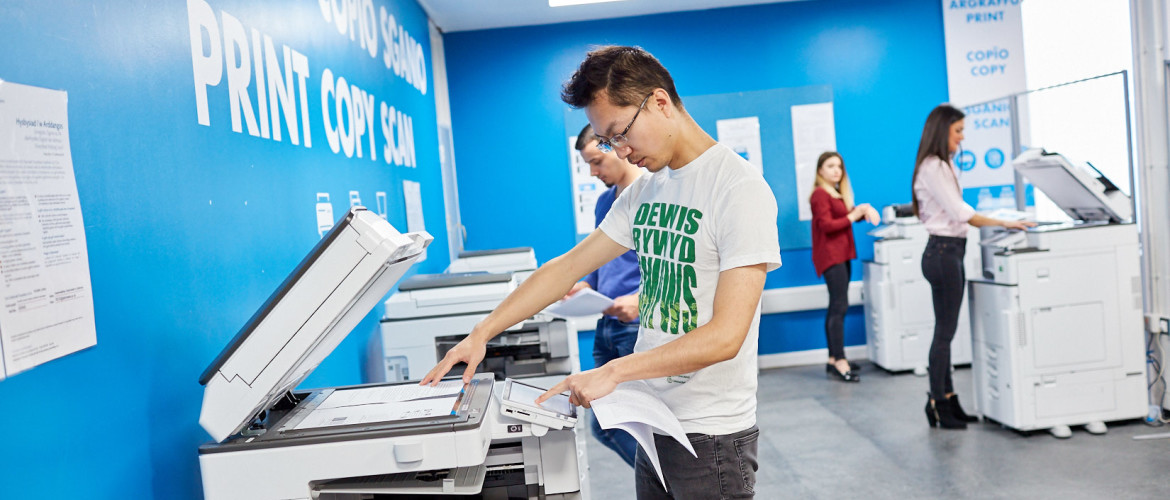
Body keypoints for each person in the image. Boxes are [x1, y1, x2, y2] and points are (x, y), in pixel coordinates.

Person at [421, 45, 781, 499]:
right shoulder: (647, 191)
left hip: (710, 437)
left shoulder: (738, 189)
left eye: (620, 134)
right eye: (610, 143)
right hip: (654, 420)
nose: (622, 152)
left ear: (660, 102)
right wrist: (482, 332)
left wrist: (615, 371)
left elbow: (726, 336)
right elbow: (567, 267)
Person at [911, 104, 1034, 430]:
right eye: (958, 131)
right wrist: (1004, 222)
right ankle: (938, 403)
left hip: (949, 252)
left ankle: (949, 398)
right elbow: (960, 212)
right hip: (943, 252)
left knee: (946, 331)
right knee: (944, 332)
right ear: (942, 131)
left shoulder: (942, 164)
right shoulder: (934, 166)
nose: (962, 137)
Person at [563, 123, 644, 467]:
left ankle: (668, 486)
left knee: (629, 423)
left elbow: (666, 267)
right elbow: (602, 258)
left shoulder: (649, 196)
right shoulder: (604, 203)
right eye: (588, 165)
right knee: (609, 423)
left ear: (616, 147)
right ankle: (665, 485)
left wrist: (641, 300)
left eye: (597, 162)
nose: (593, 173)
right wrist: (587, 285)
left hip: (637, 328)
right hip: (607, 326)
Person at [809, 151, 879, 383]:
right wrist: (853, 215)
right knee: (839, 306)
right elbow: (827, 225)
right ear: (820, 170)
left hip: (841, 255)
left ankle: (834, 358)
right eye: (830, 166)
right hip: (831, 256)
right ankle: (839, 360)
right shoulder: (820, 194)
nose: (836, 170)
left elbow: (844, 215)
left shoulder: (835, 193)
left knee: (837, 305)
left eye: (839, 166)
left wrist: (861, 212)